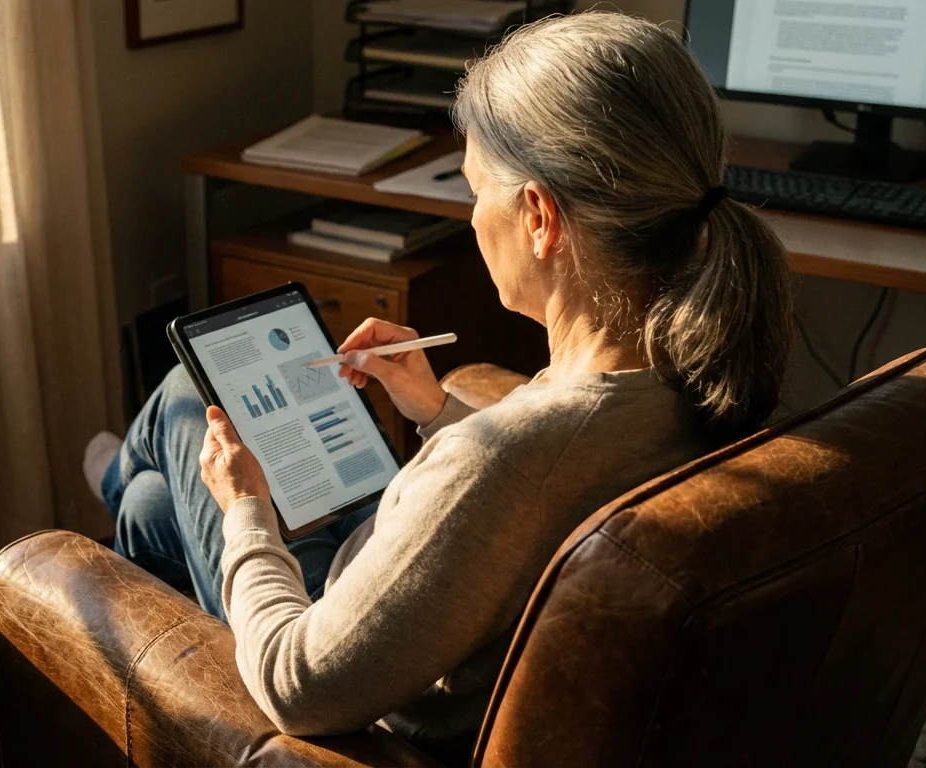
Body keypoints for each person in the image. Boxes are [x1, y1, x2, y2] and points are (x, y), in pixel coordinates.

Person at [84, 11, 794, 764]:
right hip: (422, 602)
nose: (472, 216)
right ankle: (125, 488)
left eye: (475, 190)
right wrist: (438, 412)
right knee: (153, 505)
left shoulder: (497, 463)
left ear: (541, 216)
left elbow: (299, 685)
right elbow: (543, 478)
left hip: (358, 677)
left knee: (184, 408)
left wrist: (248, 509)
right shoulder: (694, 374)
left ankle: (112, 478)